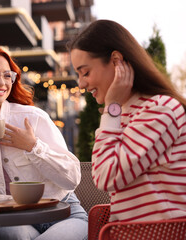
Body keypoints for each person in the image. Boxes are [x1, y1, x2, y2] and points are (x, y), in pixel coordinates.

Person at [0, 44, 88, 240]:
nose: (1, 81)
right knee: (11, 232)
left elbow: (73, 178)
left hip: (63, 214)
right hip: (16, 220)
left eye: (7, 75)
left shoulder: (32, 118)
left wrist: (33, 147)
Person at [69, 19, 186, 222]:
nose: (81, 84)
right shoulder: (121, 114)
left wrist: (111, 107)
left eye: (85, 72)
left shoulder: (160, 109)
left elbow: (105, 176)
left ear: (116, 60)